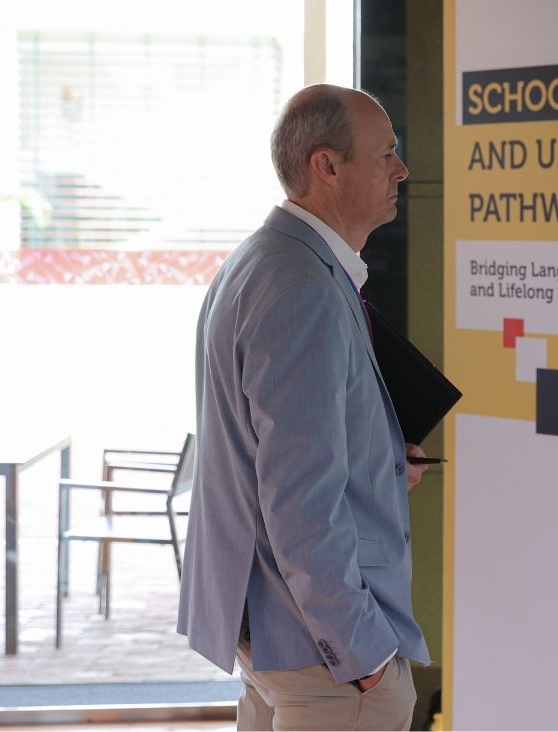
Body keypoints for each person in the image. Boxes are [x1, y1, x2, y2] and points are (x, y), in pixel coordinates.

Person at [178, 84, 430, 731]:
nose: (401, 169)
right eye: (387, 153)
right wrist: (364, 655)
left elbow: (265, 449)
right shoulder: (303, 288)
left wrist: (377, 460)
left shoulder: (260, 261)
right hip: (327, 661)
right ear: (328, 165)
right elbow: (299, 502)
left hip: (273, 634)